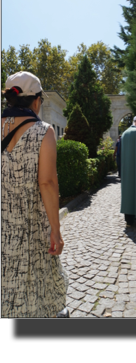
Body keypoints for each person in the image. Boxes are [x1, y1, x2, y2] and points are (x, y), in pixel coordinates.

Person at [1, 71, 68, 318]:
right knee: (35, 276)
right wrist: (56, 230)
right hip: (31, 224)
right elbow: (48, 183)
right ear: (37, 100)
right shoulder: (43, 131)